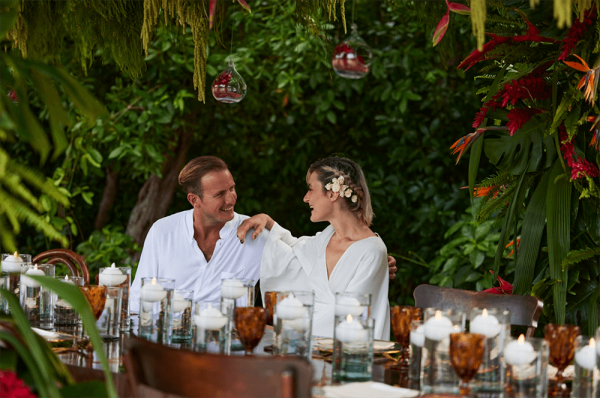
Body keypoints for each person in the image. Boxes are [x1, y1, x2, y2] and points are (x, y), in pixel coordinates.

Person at [130, 156, 397, 314]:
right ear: (194, 199)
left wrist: (370, 260)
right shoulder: (162, 232)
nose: (232, 198)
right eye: (220, 194)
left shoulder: (253, 233)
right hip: (160, 343)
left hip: (226, 353)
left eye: (232, 188)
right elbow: (135, 299)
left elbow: (299, 260)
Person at [236, 157, 390, 340]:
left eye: (310, 189)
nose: (305, 198)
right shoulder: (324, 239)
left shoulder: (372, 251)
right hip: (305, 348)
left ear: (332, 194)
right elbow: (294, 251)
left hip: (346, 355)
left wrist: (284, 329)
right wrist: (268, 223)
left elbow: (351, 317)